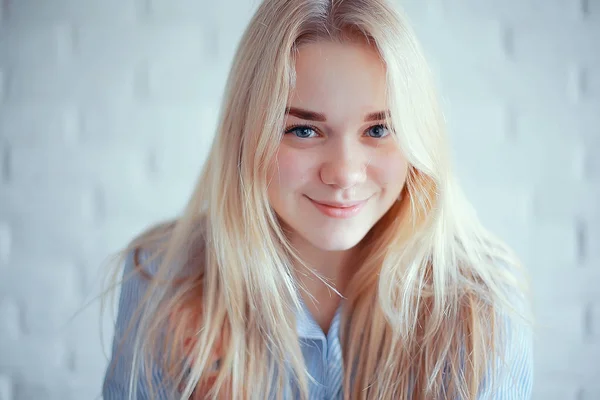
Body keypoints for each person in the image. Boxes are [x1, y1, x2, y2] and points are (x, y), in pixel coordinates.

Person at [102, 0, 533, 399]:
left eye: (379, 130)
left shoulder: (480, 306)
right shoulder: (160, 279)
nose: (345, 173)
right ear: (245, 136)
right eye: (304, 130)